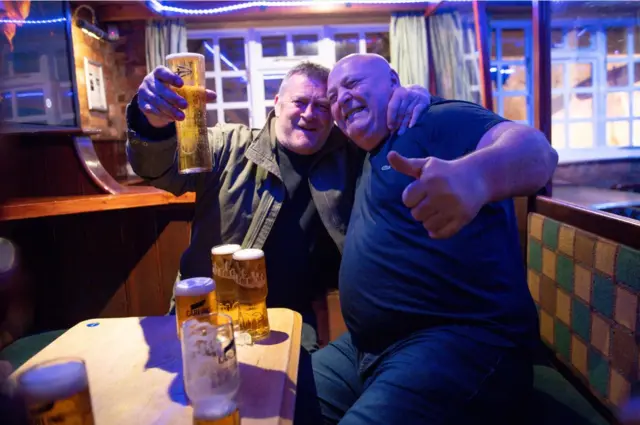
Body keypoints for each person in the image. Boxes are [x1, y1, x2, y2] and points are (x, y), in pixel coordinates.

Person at [306, 53, 559, 425]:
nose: (341, 98)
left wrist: (478, 176)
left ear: (393, 82)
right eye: (333, 97)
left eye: (353, 84)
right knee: (276, 402)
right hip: (364, 349)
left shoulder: (432, 119)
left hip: (461, 342)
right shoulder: (366, 150)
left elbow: (538, 153)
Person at [126, 61, 430, 353]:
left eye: (322, 106)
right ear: (278, 103)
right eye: (299, 102)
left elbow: (399, 146)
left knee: (299, 399)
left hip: (294, 316)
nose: (309, 114)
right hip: (210, 311)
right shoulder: (230, 146)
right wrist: (152, 120)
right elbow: (157, 167)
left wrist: (411, 101)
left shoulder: (350, 155)